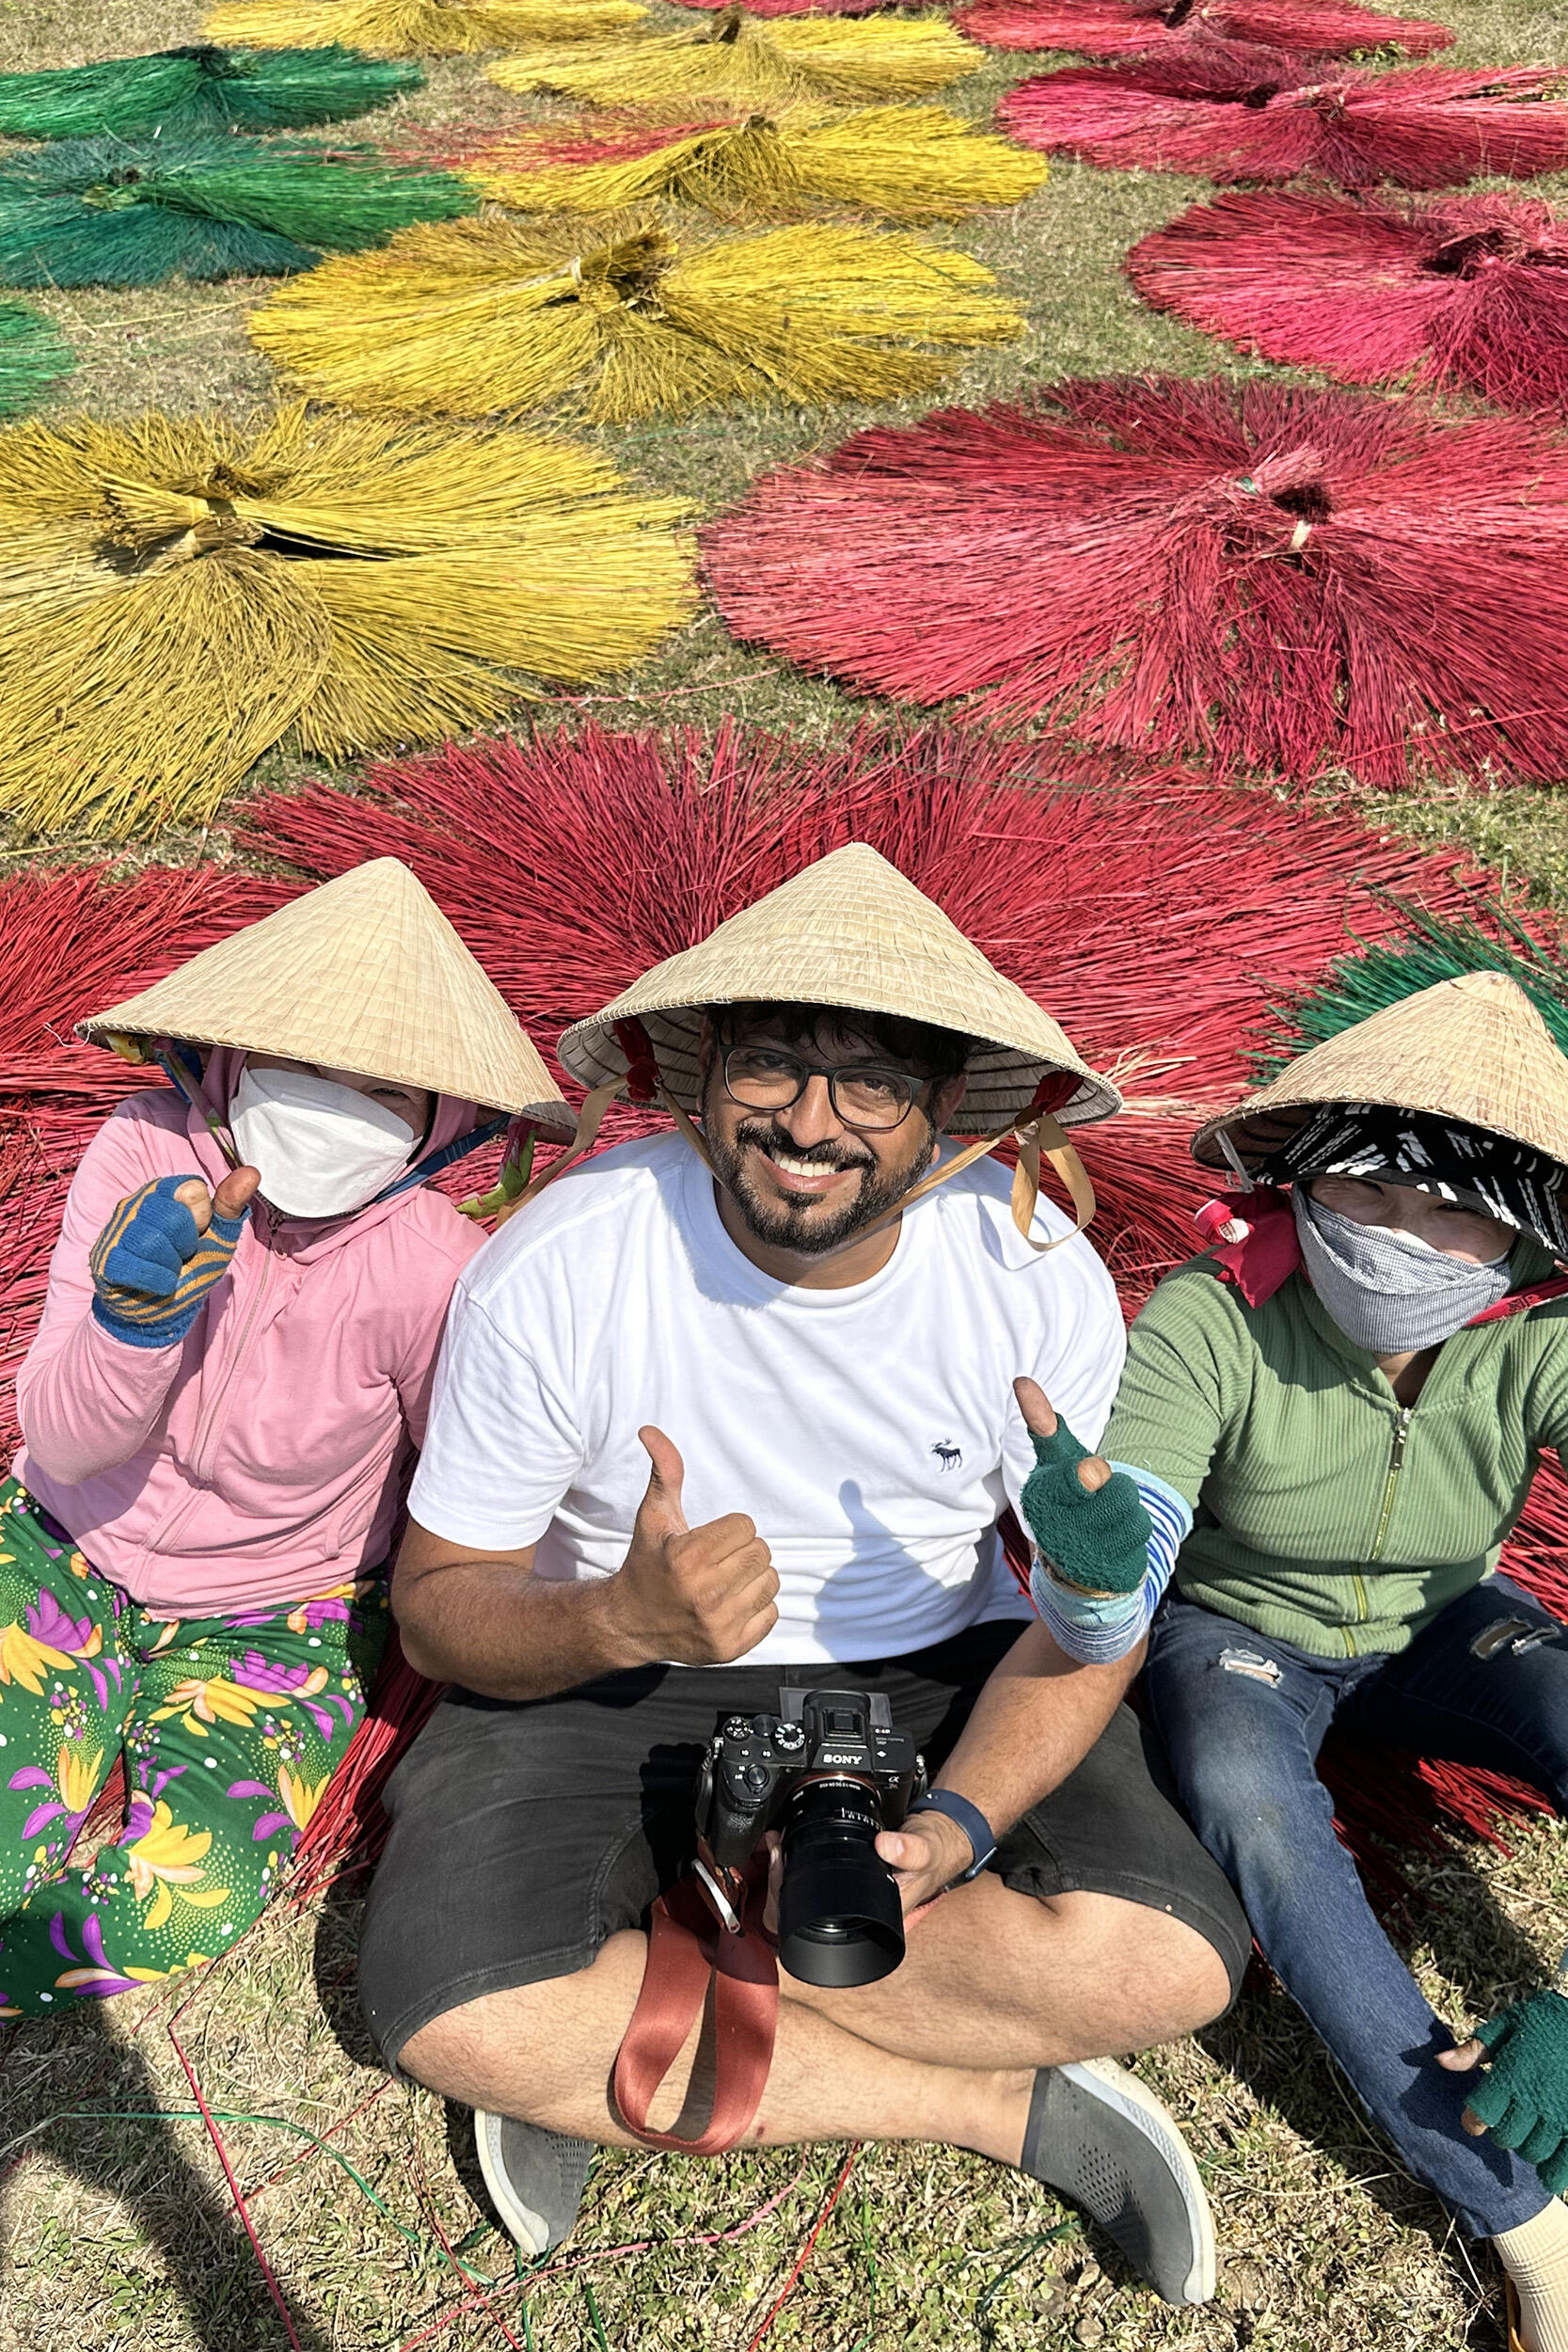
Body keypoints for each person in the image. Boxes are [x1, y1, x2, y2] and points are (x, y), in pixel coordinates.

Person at [357, 843, 1250, 2304]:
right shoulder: (565, 1262)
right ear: (702, 1072)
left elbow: (1084, 1620)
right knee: (454, 2010)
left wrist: (955, 1828)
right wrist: (615, 1614)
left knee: (1166, 1963)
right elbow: (442, 1607)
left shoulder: (1032, 1280)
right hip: (608, 1667)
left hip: (928, 1666)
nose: (808, 1122)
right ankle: (992, 2106)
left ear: (949, 1115)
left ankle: (628, 2006)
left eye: (873, 1084)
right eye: (772, 1061)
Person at [1024, 968, 1568, 2352]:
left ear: (1524, 1238)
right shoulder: (1211, 1316)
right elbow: (1142, 1513)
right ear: (1301, 1178)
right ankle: (1522, 2218)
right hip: (1239, 1633)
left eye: (1455, 1213)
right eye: (1367, 1192)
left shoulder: (1538, 1342)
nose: (1401, 1242)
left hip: (1440, 1619)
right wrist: (1101, 1564)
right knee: (1255, 1811)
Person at [1, 858, 571, 2012]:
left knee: (194, 1889)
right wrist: (134, 1325)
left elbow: (462, 1486)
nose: (332, 1103)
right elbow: (64, 1445)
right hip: (59, 1548)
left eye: (384, 1088)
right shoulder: (145, 1155)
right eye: (302, 1063)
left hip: (278, 1618)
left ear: (441, 1122)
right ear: (229, 1059)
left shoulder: (435, 1271)